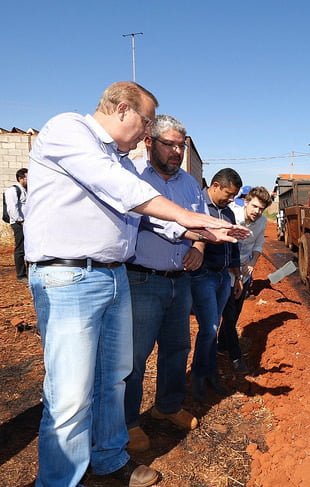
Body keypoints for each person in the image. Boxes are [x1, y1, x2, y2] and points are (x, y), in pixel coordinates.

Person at [24, 81, 247, 487]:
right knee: (71, 394)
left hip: (111, 276)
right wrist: (189, 217)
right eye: (146, 122)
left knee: (112, 378)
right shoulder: (68, 130)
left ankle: (109, 458)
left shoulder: (120, 159)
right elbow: (124, 191)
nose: (146, 133)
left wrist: (196, 231)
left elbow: (145, 213)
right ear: (123, 108)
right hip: (70, 275)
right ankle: (57, 480)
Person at [124, 115, 207, 452]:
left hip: (180, 282)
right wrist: (192, 234)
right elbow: (148, 221)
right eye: (170, 144)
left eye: (181, 145)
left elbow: (201, 225)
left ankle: (167, 407)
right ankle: (128, 421)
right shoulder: (132, 180)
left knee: (177, 350)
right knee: (134, 357)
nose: (177, 151)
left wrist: (199, 246)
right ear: (148, 142)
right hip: (143, 280)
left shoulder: (189, 183)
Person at [190, 168, 243, 401]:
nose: (232, 199)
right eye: (229, 194)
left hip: (223, 278)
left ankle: (210, 374)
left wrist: (236, 277)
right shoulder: (197, 209)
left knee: (214, 326)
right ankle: (199, 378)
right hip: (204, 276)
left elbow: (233, 247)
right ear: (215, 186)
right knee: (209, 328)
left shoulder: (228, 213)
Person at [219, 186, 273, 374]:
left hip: (244, 273)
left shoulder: (262, 221)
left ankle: (221, 346)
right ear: (246, 201)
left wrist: (252, 263)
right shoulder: (231, 215)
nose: (257, 212)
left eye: (261, 209)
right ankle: (236, 357)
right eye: (255, 207)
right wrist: (235, 275)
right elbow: (227, 246)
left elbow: (258, 244)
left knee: (234, 314)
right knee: (229, 313)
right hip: (227, 272)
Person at [4, 168, 28, 282]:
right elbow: (12, 209)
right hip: (19, 224)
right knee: (21, 249)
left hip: (26, 223)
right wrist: (20, 221)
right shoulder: (13, 191)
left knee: (29, 248)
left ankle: (29, 272)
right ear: (20, 178)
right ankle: (21, 275)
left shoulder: (26, 190)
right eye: (27, 177)